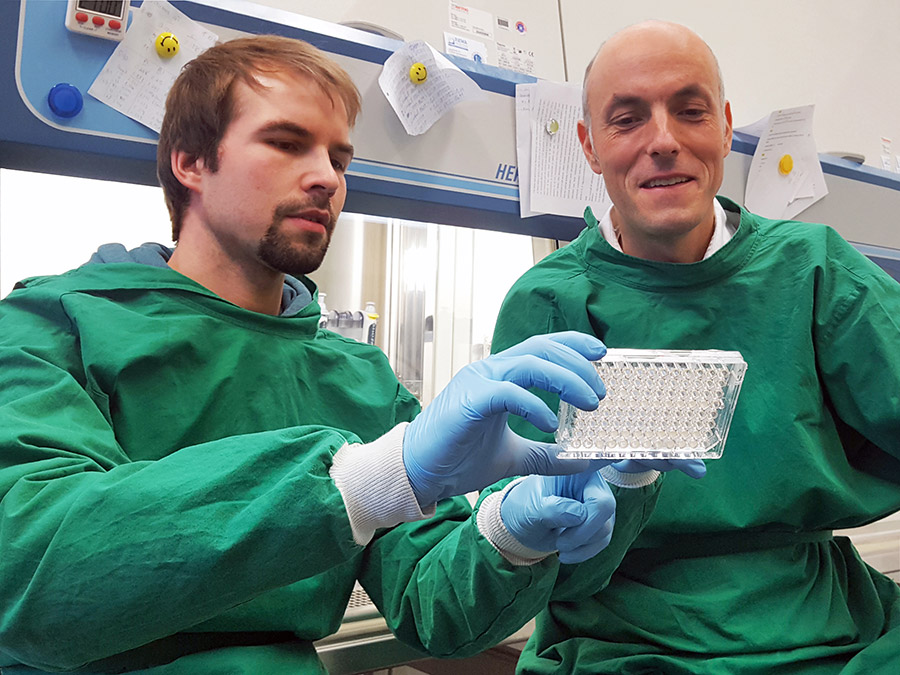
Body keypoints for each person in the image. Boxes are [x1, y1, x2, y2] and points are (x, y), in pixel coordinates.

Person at [0, 35, 703, 674]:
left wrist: (508, 532)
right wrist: (360, 478)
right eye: (286, 143)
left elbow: (435, 607)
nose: (327, 178)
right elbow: (27, 569)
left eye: (339, 158)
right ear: (190, 162)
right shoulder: (52, 328)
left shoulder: (359, 379)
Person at [491, 19, 900, 675]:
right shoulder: (548, 304)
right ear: (589, 146)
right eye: (627, 120)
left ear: (726, 125)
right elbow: (518, 546)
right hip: (611, 647)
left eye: (690, 110)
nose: (664, 141)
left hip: (824, 638)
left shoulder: (816, 273)